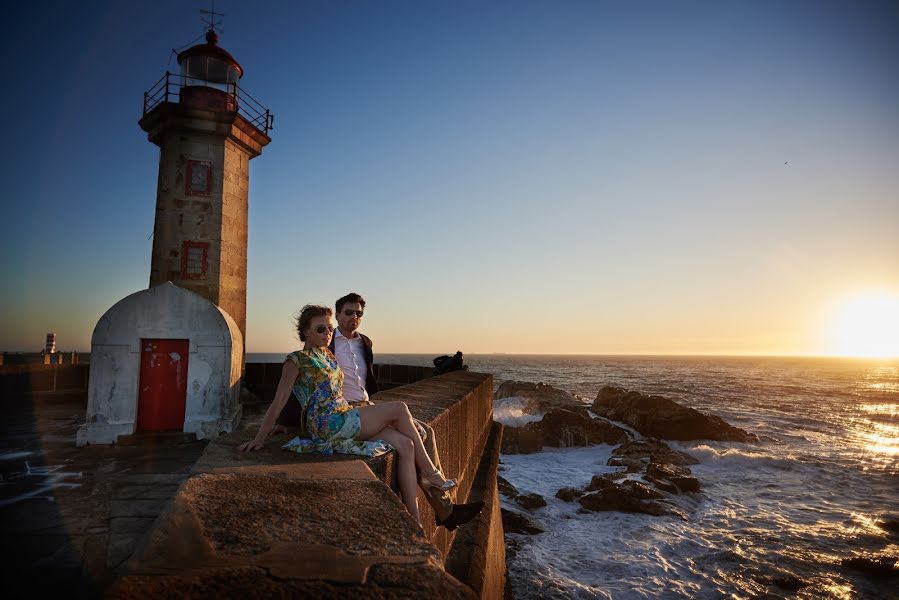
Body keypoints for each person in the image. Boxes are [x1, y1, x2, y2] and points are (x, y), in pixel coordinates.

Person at [274, 293, 484, 531]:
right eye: (349, 312)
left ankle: (434, 515)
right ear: (338, 313)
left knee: (423, 434)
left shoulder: (365, 342)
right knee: (406, 426)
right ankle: (442, 502)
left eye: (359, 314)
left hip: (366, 406)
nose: (354, 317)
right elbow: (305, 385)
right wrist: (286, 421)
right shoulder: (325, 344)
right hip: (345, 411)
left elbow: (366, 379)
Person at [237, 304, 456, 526]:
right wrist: (259, 438)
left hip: (343, 415)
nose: (328, 333)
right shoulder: (296, 360)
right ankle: (430, 472)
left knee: (406, 445)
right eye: (321, 329)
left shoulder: (327, 355)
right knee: (399, 408)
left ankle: (414, 522)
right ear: (306, 332)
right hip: (327, 423)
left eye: (330, 329)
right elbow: (279, 400)